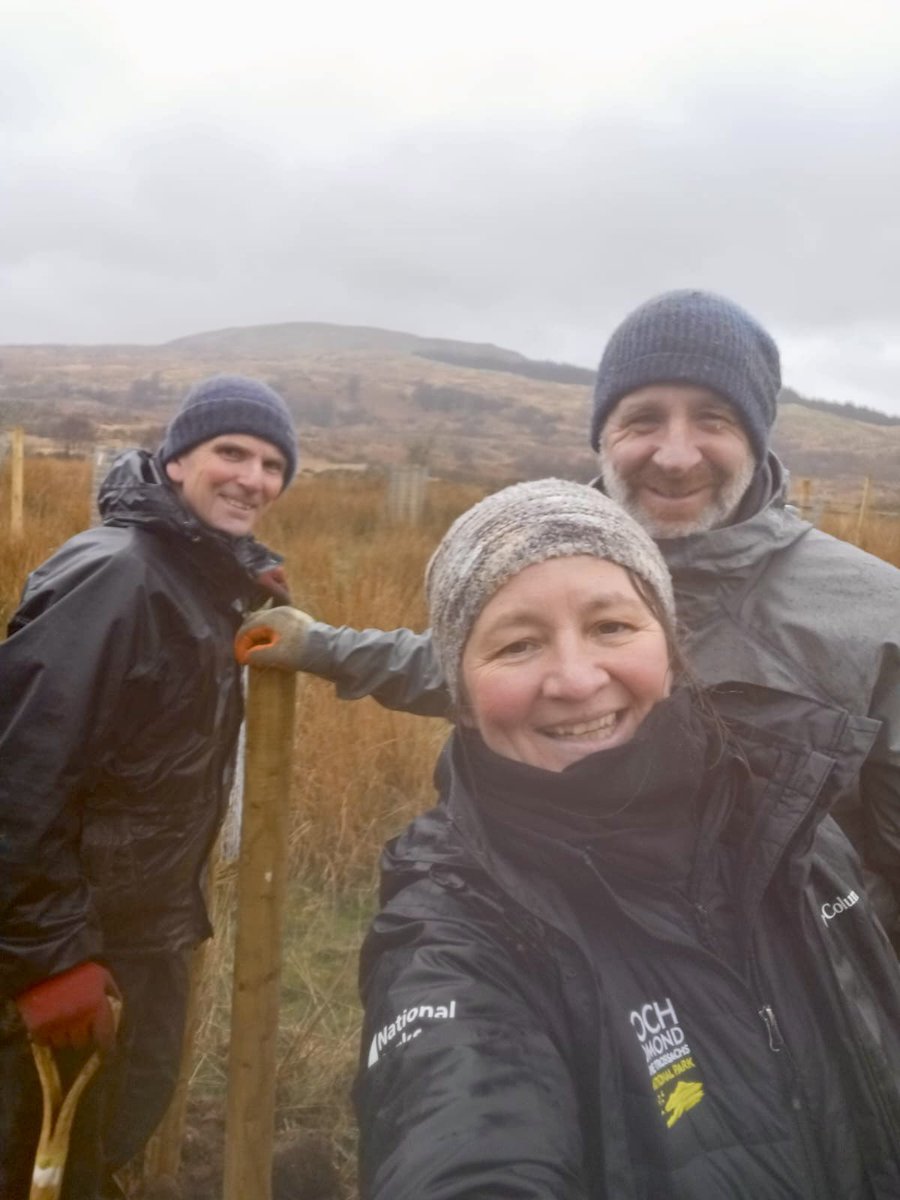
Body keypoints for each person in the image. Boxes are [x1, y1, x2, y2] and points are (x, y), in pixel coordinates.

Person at [238, 290, 900, 932]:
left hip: (805, 1001)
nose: (674, 456)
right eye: (642, 420)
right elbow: (477, 669)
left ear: (757, 436)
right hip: (565, 963)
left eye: (713, 419)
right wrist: (320, 646)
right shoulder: (541, 559)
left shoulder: (873, 616)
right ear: (602, 436)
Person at [351, 478, 900, 1199]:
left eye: (612, 626)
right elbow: (458, 1123)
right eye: (518, 644)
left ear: (669, 647)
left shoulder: (791, 816)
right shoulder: (456, 925)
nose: (577, 680)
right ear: (460, 693)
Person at [0, 374, 298, 1200]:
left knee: (94, 1154)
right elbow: (21, 774)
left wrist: (240, 595)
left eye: (273, 464)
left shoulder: (186, 573)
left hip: (133, 935)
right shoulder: (120, 576)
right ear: (174, 462)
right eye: (230, 451)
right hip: (80, 947)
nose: (252, 477)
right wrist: (50, 959)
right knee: (41, 1164)